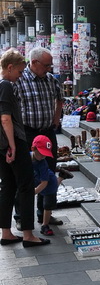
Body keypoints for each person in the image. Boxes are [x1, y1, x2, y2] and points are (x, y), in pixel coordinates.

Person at [0, 49, 49, 247]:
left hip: (2, 144)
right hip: (12, 142)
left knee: (8, 186)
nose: (21, 76)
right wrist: (13, 145)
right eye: (20, 72)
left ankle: (6, 233)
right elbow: (5, 118)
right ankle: (28, 235)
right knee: (26, 186)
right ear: (10, 68)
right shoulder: (6, 85)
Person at [14, 46, 63, 229]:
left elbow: (60, 99)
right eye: (46, 65)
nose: (49, 68)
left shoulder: (51, 80)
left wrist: (55, 121)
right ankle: (21, 217)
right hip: (27, 133)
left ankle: (45, 215)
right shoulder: (19, 80)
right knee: (25, 175)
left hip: (47, 132)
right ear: (34, 63)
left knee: (48, 173)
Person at [31, 135, 61, 237]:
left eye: (45, 154)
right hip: (40, 182)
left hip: (49, 184)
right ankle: (61, 177)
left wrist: (34, 192)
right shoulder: (27, 157)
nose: (43, 157)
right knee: (42, 201)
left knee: (47, 206)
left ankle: (45, 225)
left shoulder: (43, 163)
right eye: (41, 153)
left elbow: (45, 183)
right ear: (33, 149)